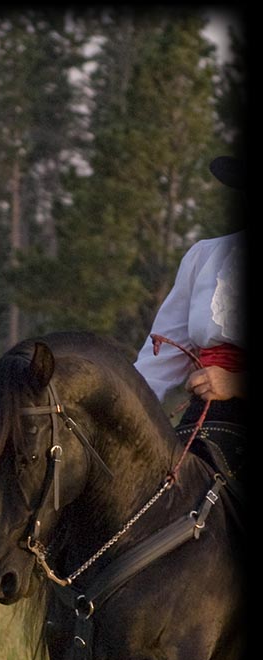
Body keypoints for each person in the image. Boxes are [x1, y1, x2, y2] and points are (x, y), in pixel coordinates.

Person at [134, 156, 246, 481]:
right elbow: (160, 360)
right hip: (207, 414)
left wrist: (234, 382)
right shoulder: (204, 256)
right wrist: (119, 404)